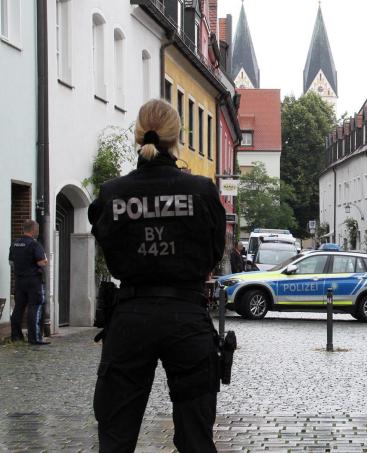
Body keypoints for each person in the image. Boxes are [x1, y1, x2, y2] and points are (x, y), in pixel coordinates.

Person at [88, 99, 225, 452]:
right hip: (187, 316)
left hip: (130, 317)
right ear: (176, 136)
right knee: (196, 439)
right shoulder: (202, 191)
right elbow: (214, 253)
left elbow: (106, 243)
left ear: (138, 135)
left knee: (115, 436)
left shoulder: (112, 194)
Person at [7, 219, 49, 345]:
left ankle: (16, 336)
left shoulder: (15, 244)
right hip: (33, 281)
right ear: (34, 230)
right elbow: (41, 262)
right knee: (34, 308)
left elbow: (11, 262)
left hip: (19, 281)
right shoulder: (34, 245)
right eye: (37, 230)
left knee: (18, 308)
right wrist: (45, 261)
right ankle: (34, 338)